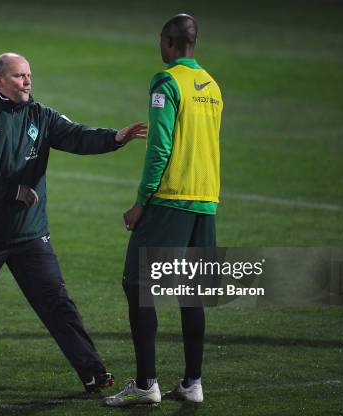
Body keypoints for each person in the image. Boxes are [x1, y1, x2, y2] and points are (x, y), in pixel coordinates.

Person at [0, 52, 147, 394]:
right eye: (20, 76)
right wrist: (11, 191)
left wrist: (114, 138)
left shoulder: (41, 115)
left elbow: (76, 135)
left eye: (29, 75)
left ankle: (93, 373)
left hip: (29, 235)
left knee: (57, 303)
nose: (28, 81)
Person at [104, 14, 223, 406]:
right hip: (206, 202)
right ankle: (192, 383)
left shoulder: (166, 81)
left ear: (168, 42)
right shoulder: (213, 87)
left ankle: (145, 383)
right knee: (192, 293)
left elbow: (159, 147)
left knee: (136, 284)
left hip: (171, 198)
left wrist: (142, 202)